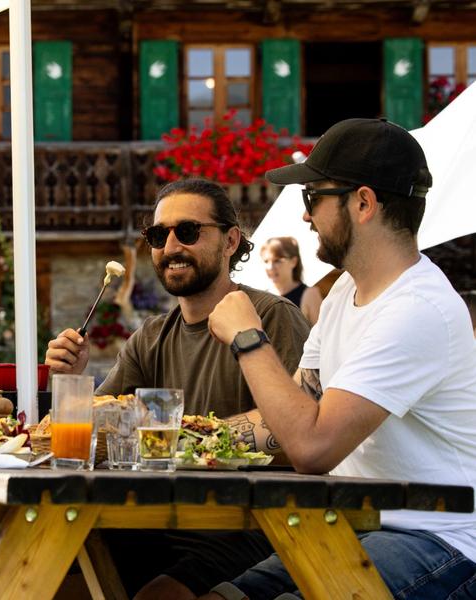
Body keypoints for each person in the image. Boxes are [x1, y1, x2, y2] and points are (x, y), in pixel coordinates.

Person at [195, 118, 476, 599]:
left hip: (438, 538)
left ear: (363, 203)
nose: (305, 217)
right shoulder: (346, 290)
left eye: (313, 198)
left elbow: (312, 446)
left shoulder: (416, 309)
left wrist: (248, 338)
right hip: (355, 523)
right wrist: (183, 438)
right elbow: (301, 408)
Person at [44, 178, 311, 596]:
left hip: (252, 523)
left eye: (187, 232)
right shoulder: (150, 336)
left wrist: (179, 436)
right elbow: (88, 429)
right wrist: (72, 381)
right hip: (156, 518)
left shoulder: (271, 316)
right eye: (157, 234)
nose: (170, 247)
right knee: (48, 577)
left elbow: (297, 423)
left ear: (229, 241)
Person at [260, 236, 323, 324]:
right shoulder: (263, 297)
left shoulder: (310, 294)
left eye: (277, 261)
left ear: (293, 262)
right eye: (266, 261)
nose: (270, 267)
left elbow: (323, 334)